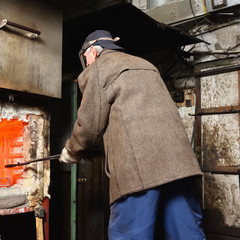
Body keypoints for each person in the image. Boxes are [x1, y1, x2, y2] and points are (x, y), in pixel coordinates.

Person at [59, 30, 206, 240]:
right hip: (180, 166)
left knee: (130, 235)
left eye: (85, 58)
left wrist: (72, 150)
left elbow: (89, 124)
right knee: (187, 234)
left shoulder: (99, 68)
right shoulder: (146, 65)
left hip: (140, 171)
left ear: (92, 50)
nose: (86, 63)